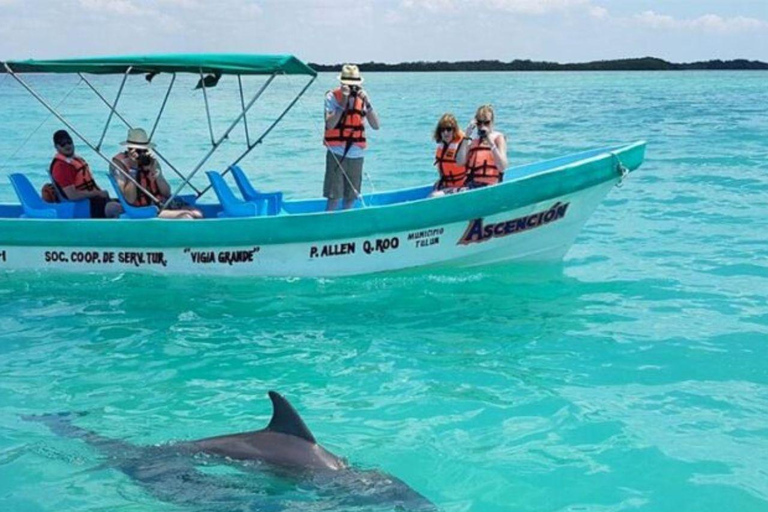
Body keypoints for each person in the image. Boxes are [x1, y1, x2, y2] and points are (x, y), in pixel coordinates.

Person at [110, 128, 203, 220]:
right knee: (186, 217)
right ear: (129, 149)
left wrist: (156, 173)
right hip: (145, 209)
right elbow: (129, 199)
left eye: (144, 150)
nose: (142, 154)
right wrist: (134, 169)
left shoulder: (150, 162)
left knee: (197, 214)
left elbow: (166, 193)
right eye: (138, 151)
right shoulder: (120, 164)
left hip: (161, 203)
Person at [323, 64, 380, 211]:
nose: (352, 88)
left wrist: (367, 102)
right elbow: (330, 124)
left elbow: (376, 125)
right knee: (334, 196)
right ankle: (329, 227)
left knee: (351, 197)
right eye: (348, 85)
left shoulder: (362, 99)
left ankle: (345, 224)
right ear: (342, 83)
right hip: (336, 153)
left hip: (356, 154)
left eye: (354, 85)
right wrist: (343, 102)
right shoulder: (332, 97)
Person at [49, 130, 122, 218]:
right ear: (56, 147)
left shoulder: (74, 161)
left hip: (92, 201)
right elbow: (72, 195)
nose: (67, 145)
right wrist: (97, 193)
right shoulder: (61, 167)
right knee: (116, 208)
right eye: (62, 144)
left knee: (124, 203)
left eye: (69, 142)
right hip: (82, 206)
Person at [456, 105, 508, 188]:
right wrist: (466, 137)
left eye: (486, 123)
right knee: (436, 194)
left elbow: (502, 167)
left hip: (491, 185)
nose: (482, 126)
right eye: (479, 123)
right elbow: (459, 162)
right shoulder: (472, 139)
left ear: (492, 122)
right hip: (471, 186)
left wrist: (491, 143)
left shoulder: (498, 138)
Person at [431, 113, 468, 195]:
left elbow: (462, 162)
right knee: (433, 189)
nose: (445, 133)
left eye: (448, 129)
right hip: (447, 186)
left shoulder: (461, 146)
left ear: (454, 130)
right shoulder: (441, 148)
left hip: (463, 187)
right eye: (442, 130)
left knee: (434, 195)